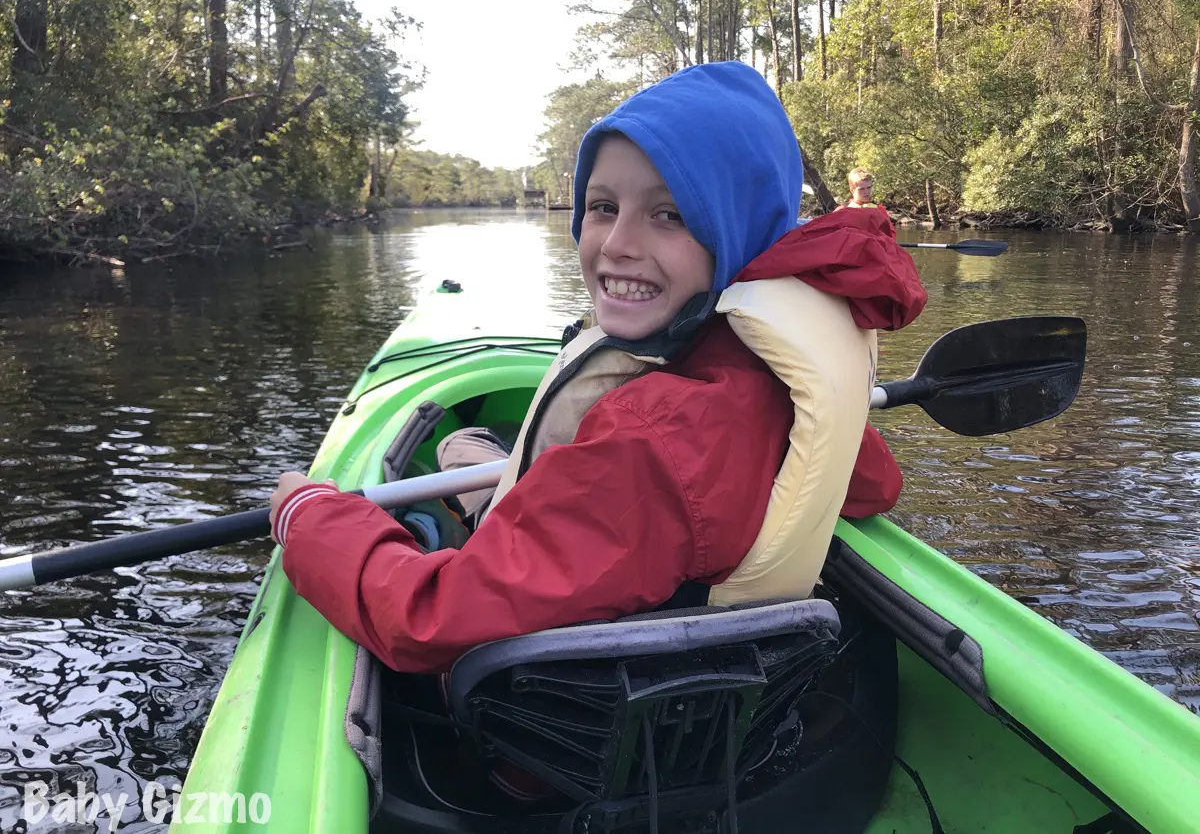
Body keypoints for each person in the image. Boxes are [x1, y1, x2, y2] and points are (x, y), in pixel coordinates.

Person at [267, 62, 927, 677]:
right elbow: (874, 483)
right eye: (604, 207)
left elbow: (427, 622)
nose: (616, 244)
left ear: (735, 224)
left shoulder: (653, 436)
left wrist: (307, 516)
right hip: (694, 674)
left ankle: (451, 474)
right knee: (463, 450)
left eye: (669, 215)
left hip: (553, 738)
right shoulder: (777, 372)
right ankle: (476, 463)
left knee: (449, 460)